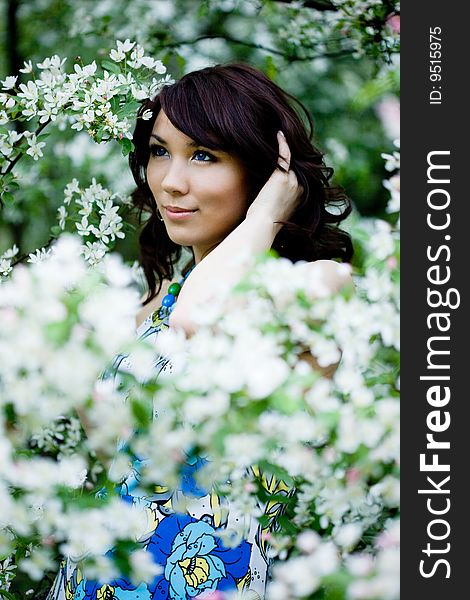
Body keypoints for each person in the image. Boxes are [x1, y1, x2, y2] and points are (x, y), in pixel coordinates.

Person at [48, 63, 353, 600]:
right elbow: (117, 463)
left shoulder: (319, 287)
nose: (170, 180)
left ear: (263, 173)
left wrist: (270, 213)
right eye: (160, 151)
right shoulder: (157, 303)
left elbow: (199, 319)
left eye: (204, 156)